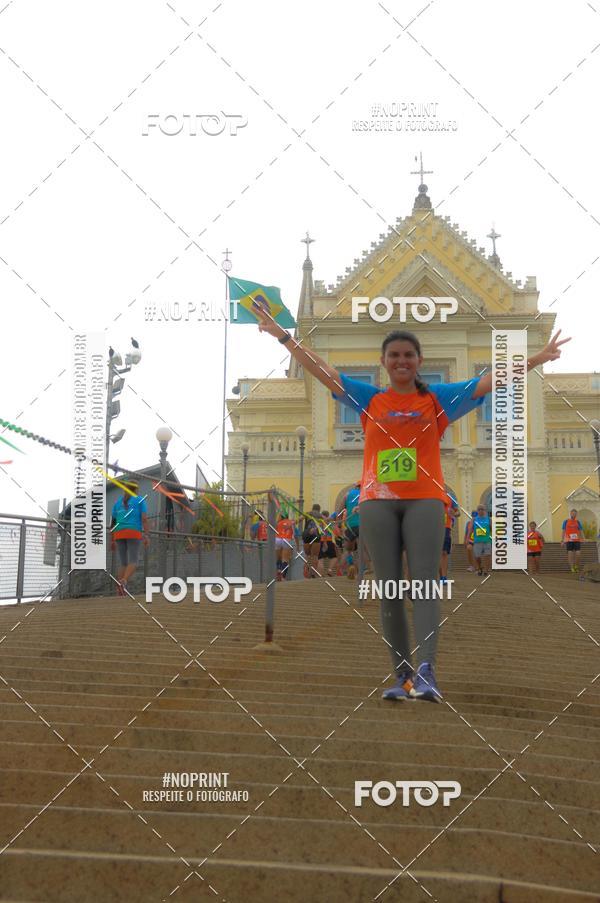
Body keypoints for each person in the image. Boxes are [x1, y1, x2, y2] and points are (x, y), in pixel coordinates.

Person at [257, 307, 570, 703]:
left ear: (419, 361)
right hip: (377, 503)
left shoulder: (437, 398)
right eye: (394, 355)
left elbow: (489, 381)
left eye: (408, 355)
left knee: (423, 584)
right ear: (384, 363)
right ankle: (402, 676)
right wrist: (284, 337)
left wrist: (537, 359)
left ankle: (427, 672)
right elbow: (324, 371)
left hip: (424, 500)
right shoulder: (370, 398)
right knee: (388, 588)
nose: (401, 361)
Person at [110, 480, 149, 596]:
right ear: (136, 489)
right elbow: (144, 520)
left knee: (123, 563)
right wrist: (146, 535)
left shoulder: (117, 503)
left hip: (118, 534)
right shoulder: (140, 500)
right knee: (134, 561)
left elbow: (112, 523)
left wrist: (112, 540)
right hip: (133, 532)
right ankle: (124, 581)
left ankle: (120, 590)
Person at [440, 493, 460, 583]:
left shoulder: (450, 497)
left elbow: (458, 512)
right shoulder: (430, 494)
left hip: (445, 528)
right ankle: (438, 576)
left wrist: (454, 514)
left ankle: (443, 577)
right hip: (432, 526)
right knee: (435, 553)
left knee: (444, 552)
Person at [302, 504, 322, 578]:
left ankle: (306, 569)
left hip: (306, 534)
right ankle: (313, 573)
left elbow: (300, 519)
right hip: (315, 534)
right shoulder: (320, 515)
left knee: (307, 555)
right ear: (319, 509)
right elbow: (326, 521)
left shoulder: (308, 513)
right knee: (315, 556)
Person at [562, 508, 584, 573]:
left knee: (578, 553)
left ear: (576, 515)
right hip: (569, 540)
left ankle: (576, 566)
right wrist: (562, 540)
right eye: (572, 513)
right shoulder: (566, 521)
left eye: (575, 513)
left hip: (577, 540)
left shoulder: (578, 522)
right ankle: (572, 567)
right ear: (570, 513)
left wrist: (583, 538)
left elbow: (581, 530)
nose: (573, 514)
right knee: (570, 554)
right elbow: (563, 531)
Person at [472, 505, 492, 577]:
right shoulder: (474, 519)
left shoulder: (489, 519)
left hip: (487, 541)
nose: (481, 511)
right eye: (479, 509)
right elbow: (470, 529)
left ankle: (486, 571)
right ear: (477, 511)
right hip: (477, 541)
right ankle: (480, 568)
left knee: (487, 555)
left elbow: (492, 528)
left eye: (482, 509)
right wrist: (467, 538)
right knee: (477, 557)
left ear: (485, 510)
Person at [276, 510, 295, 579]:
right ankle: (283, 576)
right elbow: (294, 535)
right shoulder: (291, 522)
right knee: (285, 559)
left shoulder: (278, 523)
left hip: (277, 539)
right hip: (286, 539)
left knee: (278, 557)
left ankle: (278, 569)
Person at [318, 510, 338, 576]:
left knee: (320, 559)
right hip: (328, 540)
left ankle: (321, 575)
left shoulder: (320, 522)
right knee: (334, 557)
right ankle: (329, 570)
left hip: (321, 541)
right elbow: (325, 531)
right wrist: (325, 542)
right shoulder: (328, 522)